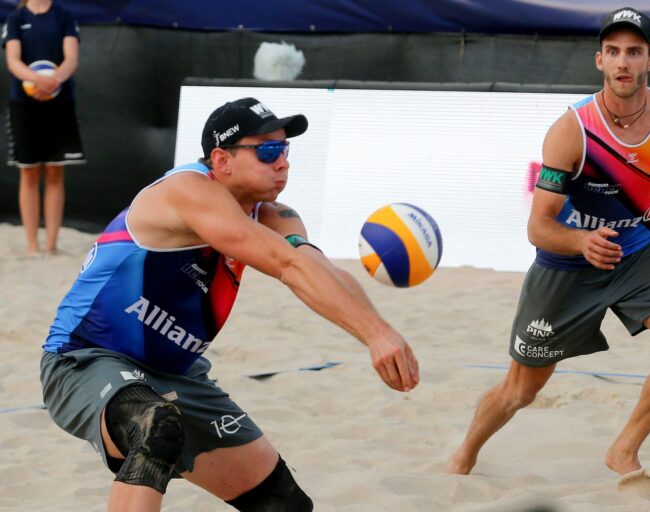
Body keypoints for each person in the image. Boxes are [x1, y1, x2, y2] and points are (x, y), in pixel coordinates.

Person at [40, 97, 420, 511]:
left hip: (179, 374)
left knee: (284, 505)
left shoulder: (278, 216)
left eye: (285, 150)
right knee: (155, 427)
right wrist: (376, 335)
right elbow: (286, 264)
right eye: (268, 151)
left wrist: (379, 331)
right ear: (221, 159)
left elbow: (315, 269)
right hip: (86, 358)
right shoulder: (187, 191)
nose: (283, 163)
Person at [447, 6, 650, 484]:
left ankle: (623, 449)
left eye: (634, 52)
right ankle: (463, 456)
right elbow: (538, 227)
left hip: (635, 253)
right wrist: (580, 241)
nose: (623, 62)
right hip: (565, 265)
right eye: (613, 51)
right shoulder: (572, 129)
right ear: (599, 60)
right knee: (522, 388)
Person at [2, 0, 85, 255]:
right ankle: (32, 245)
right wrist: (36, 79)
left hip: (59, 103)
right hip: (25, 104)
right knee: (28, 172)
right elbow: (13, 60)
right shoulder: (16, 18)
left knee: (54, 172)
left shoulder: (64, 15)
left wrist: (54, 80)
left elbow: (71, 58)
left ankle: (51, 245)